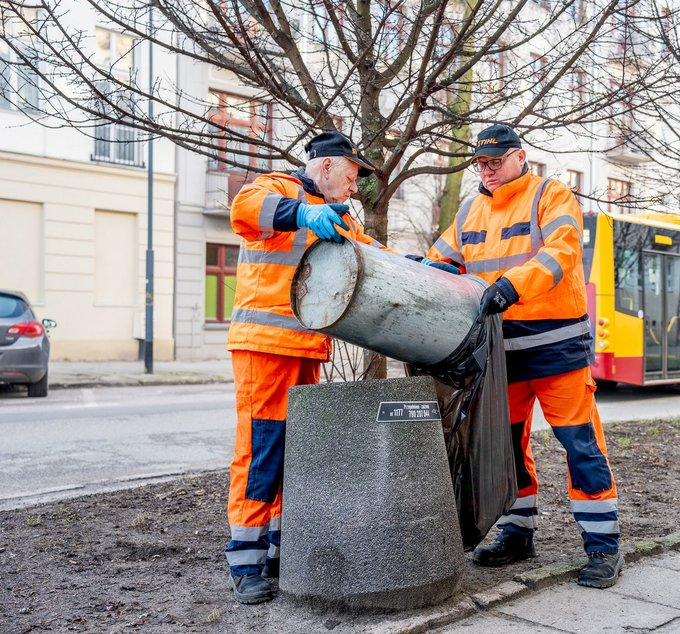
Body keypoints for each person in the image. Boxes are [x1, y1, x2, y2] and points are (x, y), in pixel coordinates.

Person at [426, 124, 623, 588]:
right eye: (480, 163)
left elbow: (562, 253)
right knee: (508, 448)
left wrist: (511, 287)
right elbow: (441, 260)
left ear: (520, 157)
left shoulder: (550, 195)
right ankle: (518, 533)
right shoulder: (472, 209)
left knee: (580, 445)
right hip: (502, 355)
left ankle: (603, 547)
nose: (487, 171)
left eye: (495, 161)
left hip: (556, 350)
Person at [225, 131, 387, 604]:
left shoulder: (335, 216)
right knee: (262, 451)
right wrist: (303, 212)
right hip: (266, 347)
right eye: (353, 175)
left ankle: (277, 547)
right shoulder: (273, 187)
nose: (355, 187)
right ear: (327, 166)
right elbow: (243, 210)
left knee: (293, 455)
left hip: (304, 350)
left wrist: (426, 267)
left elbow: (372, 254)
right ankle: (245, 560)